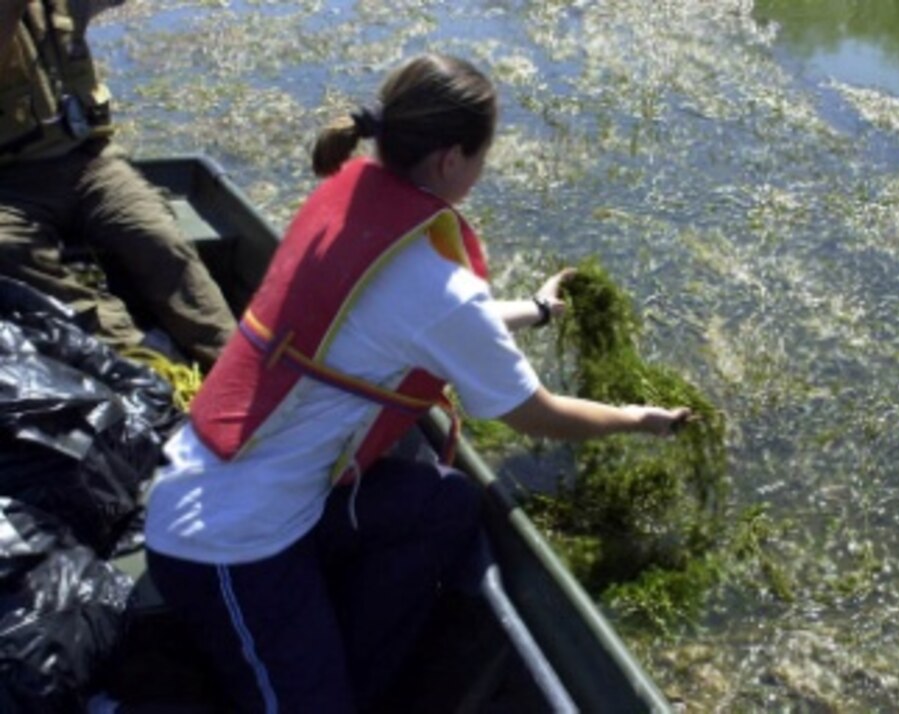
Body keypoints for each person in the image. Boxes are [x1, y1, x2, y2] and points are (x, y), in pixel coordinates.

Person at [143, 53, 690, 713]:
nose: (483, 171)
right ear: (451, 160)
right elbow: (533, 412)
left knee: (444, 504)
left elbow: (423, 319)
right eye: (484, 156)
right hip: (225, 543)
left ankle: (345, 672)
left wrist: (539, 311)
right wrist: (637, 418)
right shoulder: (436, 284)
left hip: (262, 496)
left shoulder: (351, 199)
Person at [0, 0, 235, 370]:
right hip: (9, 184)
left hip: (88, 163)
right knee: (9, 251)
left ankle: (235, 364)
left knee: (159, 240)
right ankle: (143, 361)